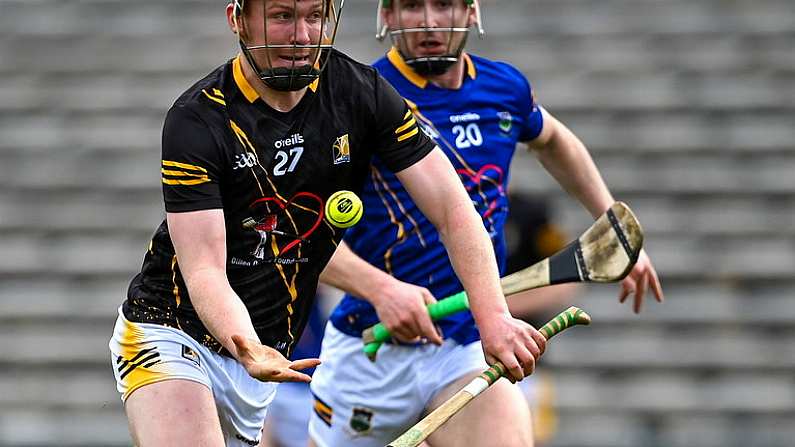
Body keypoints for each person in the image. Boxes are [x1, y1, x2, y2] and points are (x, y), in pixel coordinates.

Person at [107, 0, 547, 445]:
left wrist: (494, 320)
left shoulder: (361, 92)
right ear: (237, 19)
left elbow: (454, 211)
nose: (301, 35)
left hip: (265, 357)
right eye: (281, 16)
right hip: (172, 329)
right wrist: (248, 343)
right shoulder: (199, 118)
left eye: (314, 16)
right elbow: (203, 269)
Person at [308, 1, 664, 446]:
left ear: (472, 12)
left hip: (465, 346)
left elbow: (554, 141)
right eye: (411, 6)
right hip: (369, 350)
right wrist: (383, 291)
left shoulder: (502, 88)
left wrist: (611, 222)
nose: (429, 21)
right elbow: (302, 235)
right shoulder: (359, 99)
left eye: (444, 5)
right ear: (387, 17)